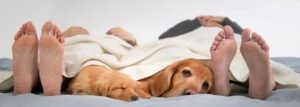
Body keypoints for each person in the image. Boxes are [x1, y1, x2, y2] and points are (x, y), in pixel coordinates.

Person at [12, 16, 275, 100]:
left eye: (213, 20)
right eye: (202, 20)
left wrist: (222, 23)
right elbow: (153, 48)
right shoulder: (168, 38)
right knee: (104, 48)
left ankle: (228, 74)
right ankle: (44, 77)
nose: (206, 19)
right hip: (158, 47)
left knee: (226, 49)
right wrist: (131, 40)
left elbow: (222, 30)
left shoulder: (220, 34)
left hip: (214, 47)